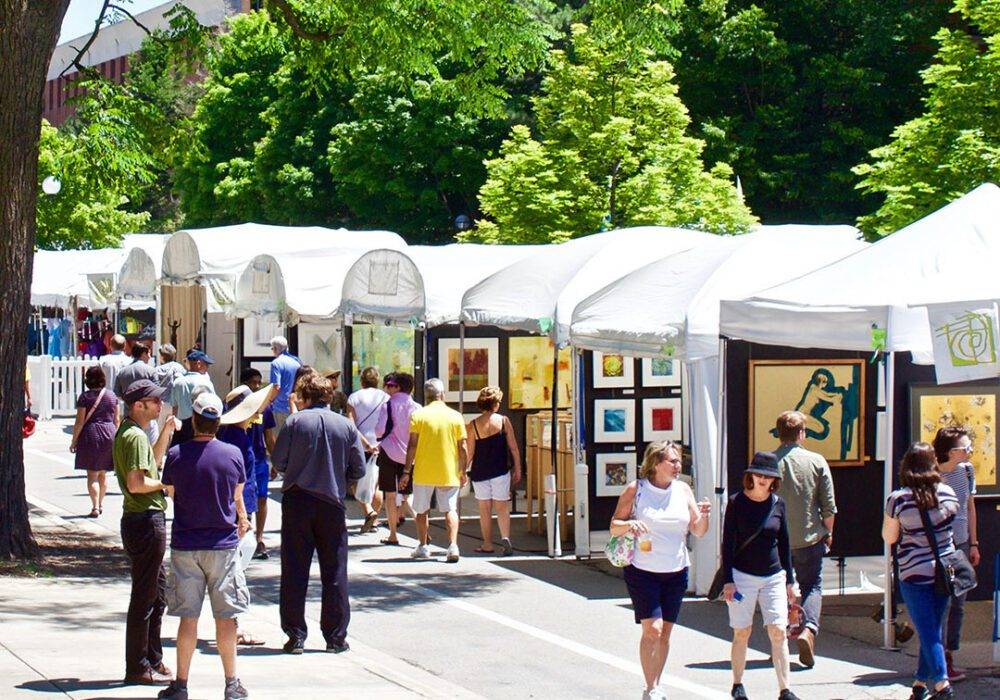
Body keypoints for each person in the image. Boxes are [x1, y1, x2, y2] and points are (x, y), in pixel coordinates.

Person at [157, 392, 251, 700]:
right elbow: (237, 494)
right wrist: (241, 517)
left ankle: (181, 683)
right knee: (226, 618)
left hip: (186, 543)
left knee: (189, 618)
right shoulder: (233, 454)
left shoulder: (176, 455)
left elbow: (169, 491)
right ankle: (231, 683)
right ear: (218, 422)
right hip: (222, 545)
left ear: (194, 420)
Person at [272, 373, 365, 654]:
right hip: (332, 501)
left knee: (294, 570)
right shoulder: (345, 425)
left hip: (298, 499)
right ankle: (335, 637)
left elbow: (279, 461)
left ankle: (295, 634)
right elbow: (358, 469)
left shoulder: (295, 421)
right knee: (335, 571)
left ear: (306, 396)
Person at [610, 441, 711, 700]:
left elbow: (698, 531)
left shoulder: (683, 490)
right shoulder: (637, 490)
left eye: (679, 461)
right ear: (656, 463)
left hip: (676, 569)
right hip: (643, 570)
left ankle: (656, 683)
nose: (678, 466)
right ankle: (650, 687)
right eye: (672, 461)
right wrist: (630, 524)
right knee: (652, 630)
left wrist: (704, 516)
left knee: (665, 632)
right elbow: (614, 526)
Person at [113, 379, 179, 685]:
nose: (159, 405)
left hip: (140, 519)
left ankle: (152, 657)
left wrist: (165, 431)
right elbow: (137, 483)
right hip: (145, 519)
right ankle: (137, 666)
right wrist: (167, 486)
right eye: (154, 402)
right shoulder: (134, 436)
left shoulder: (132, 433)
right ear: (138, 405)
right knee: (145, 597)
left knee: (157, 595)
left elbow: (149, 463)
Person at [883, 442, 959, 700]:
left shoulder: (898, 499)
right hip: (945, 570)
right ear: (933, 464)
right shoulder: (948, 493)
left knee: (928, 630)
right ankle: (919, 684)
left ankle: (941, 684)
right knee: (933, 627)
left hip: (913, 572)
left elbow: (889, 537)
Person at [722, 452, 799, 700]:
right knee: (742, 631)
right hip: (742, 575)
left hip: (773, 575)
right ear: (750, 476)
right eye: (759, 474)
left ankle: (785, 689)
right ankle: (737, 684)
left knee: (778, 630)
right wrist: (728, 580)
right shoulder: (736, 502)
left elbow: (785, 543)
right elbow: (727, 544)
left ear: (775, 480)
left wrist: (790, 580)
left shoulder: (778, 504)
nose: (763, 480)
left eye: (769, 476)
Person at [772, 410, 836, 668]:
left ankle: (779, 641)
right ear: (801, 433)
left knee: (776, 590)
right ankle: (809, 628)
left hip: (776, 539)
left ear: (779, 433)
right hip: (810, 536)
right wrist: (829, 532)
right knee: (812, 586)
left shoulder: (767, 462)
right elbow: (828, 505)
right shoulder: (816, 461)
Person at [399, 378, 468, 563]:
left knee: (422, 510)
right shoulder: (455, 416)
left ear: (426, 395)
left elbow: (412, 445)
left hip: (423, 470)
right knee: (450, 509)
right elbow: (463, 447)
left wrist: (406, 471)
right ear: (442, 394)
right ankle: (453, 545)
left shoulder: (419, 415)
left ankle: (423, 546)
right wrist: (464, 470)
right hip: (448, 470)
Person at [931, 427, 978, 683]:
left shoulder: (967, 471)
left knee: (959, 601)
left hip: (960, 543)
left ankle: (949, 654)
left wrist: (974, 543)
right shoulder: (932, 475)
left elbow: (970, 507)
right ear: (951, 452)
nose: (970, 451)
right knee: (941, 602)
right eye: (966, 447)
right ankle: (936, 658)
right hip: (938, 545)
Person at [466, 386, 522, 555]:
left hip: (480, 471)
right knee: (502, 506)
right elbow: (513, 448)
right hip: (500, 470)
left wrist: (461, 470)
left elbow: (470, 452)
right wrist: (518, 468)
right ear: (495, 404)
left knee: (484, 509)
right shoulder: (504, 421)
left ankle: (487, 544)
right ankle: (505, 537)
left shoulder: (474, 425)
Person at [374, 372, 420, 545]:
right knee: (407, 496)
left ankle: (393, 534)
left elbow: (379, 431)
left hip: (388, 453)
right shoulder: (417, 407)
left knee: (391, 496)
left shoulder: (388, 405)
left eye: (391, 385)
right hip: (409, 457)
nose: (388, 388)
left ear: (397, 387)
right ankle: (422, 529)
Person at [239, 368, 278, 559]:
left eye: (258, 383)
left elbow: (269, 438)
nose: (256, 386)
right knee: (242, 498)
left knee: (262, 498)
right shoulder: (235, 405)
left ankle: (259, 537)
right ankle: (243, 535)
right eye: (252, 382)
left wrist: (276, 461)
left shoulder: (266, 408)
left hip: (260, 459)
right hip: (240, 459)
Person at [69, 366, 119, 517]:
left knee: (92, 474)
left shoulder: (85, 397)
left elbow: (79, 421)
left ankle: (95, 506)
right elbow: (117, 419)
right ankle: (101, 503)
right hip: (109, 433)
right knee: (103, 473)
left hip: (91, 434)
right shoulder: (112, 396)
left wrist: (74, 441)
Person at [348, 366, 389, 534]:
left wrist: (365, 443)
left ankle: (368, 511)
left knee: (353, 480)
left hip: (360, 445)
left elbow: (351, 424)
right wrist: (378, 443)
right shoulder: (386, 397)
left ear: (362, 380)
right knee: (377, 483)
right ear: (377, 380)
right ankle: (374, 520)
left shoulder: (354, 397)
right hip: (381, 445)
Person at [115, 342, 159, 445]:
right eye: (148, 354)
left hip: (129, 414)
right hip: (147, 414)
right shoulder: (151, 371)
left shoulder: (122, 372)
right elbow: (156, 393)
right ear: (143, 353)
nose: (149, 357)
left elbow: (118, 394)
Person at [170, 350, 215, 445]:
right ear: (198, 364)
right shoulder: (205, 382)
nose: (207, 368)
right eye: (206, 364)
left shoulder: (178, 382)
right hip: (200, 426)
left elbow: (174, 407)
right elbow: (212, 406)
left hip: (181, 426)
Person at [268, 335, 301, 431]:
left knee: (279, 438)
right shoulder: (297, 362)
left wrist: (269, 401)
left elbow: (276, 387)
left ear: (275, 348)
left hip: (280, 407)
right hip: (295, 405)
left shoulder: (276, 363)